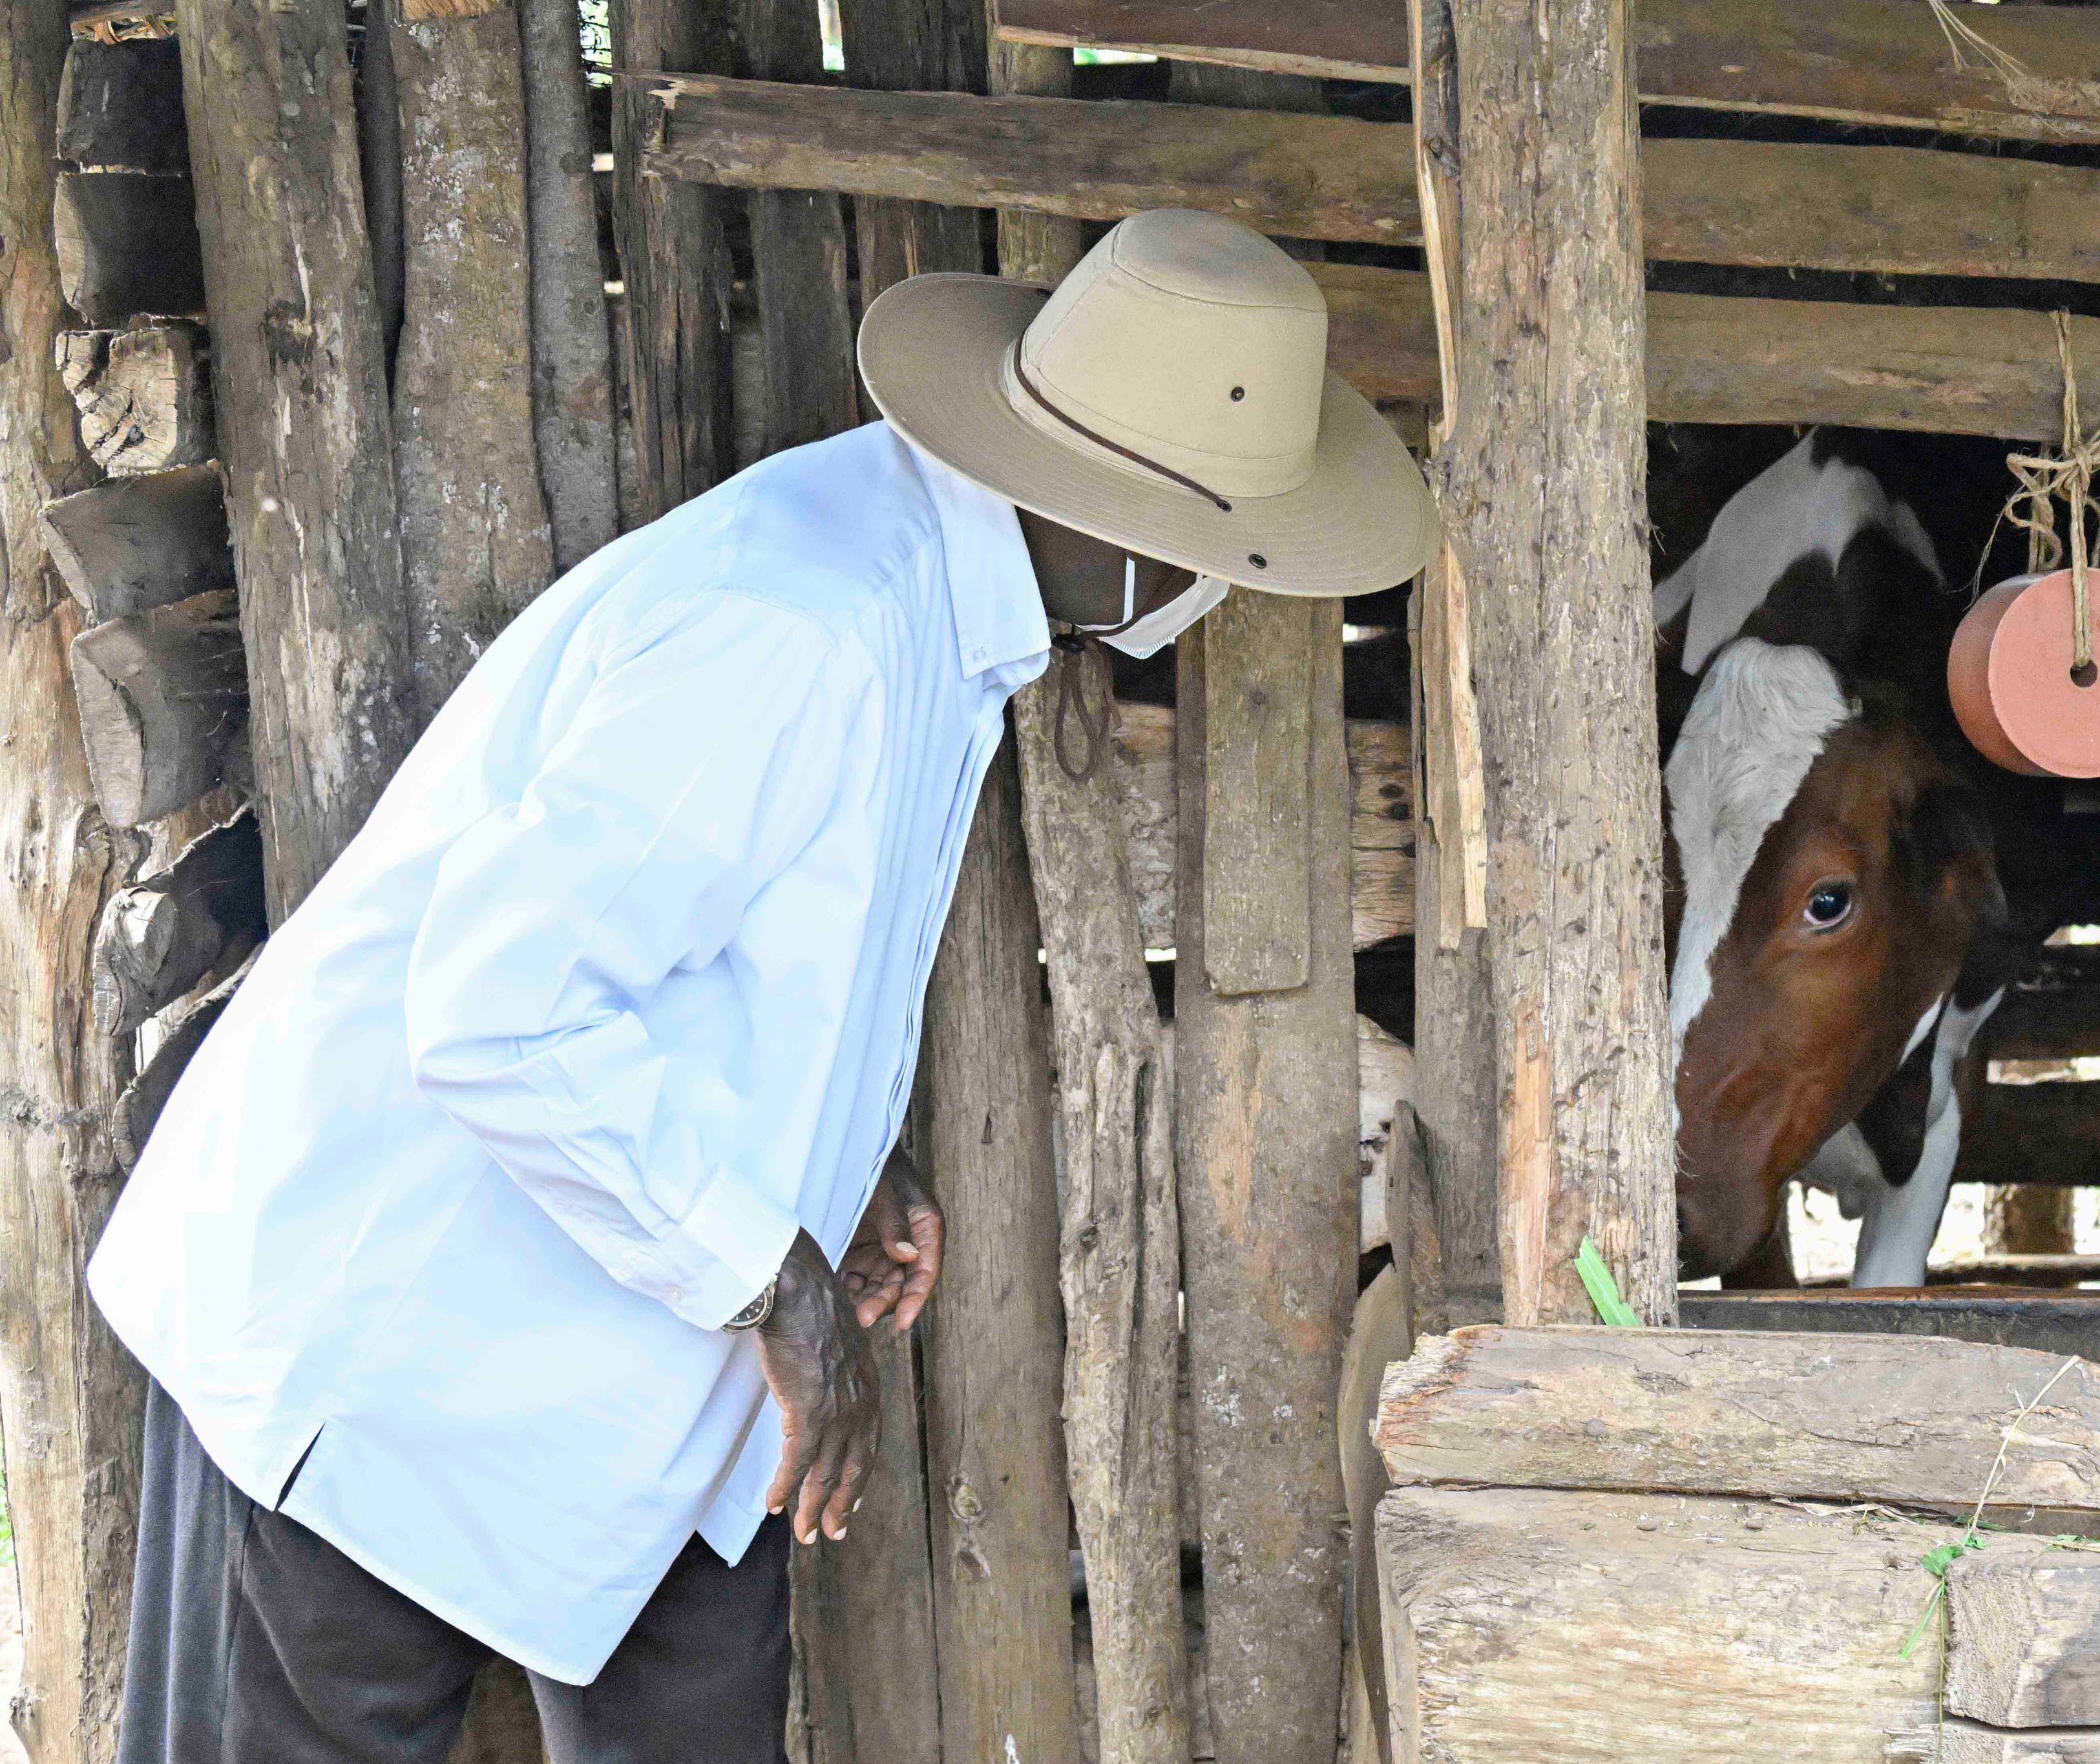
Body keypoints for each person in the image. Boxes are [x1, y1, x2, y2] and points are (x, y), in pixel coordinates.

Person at [87, 207, 1436, 1764]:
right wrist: (780, 1285)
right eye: (1217, 556)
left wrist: (839, 1155)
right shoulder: (799, 630)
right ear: (1132, 534)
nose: (1213, 590)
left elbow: (724, 949)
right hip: (389, 1326)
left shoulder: (924, 601)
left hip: (626, 1333)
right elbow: (497, 1011)